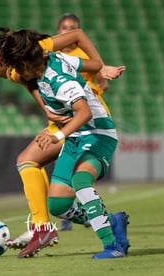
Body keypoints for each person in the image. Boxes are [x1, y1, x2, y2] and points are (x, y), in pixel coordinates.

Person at [0, 28, 128, 258]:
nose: (11, 75)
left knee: (81, 180)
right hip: (74, 132)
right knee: (58, 205)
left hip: (94, 131)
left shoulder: (57, 78)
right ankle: (108, 220)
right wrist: (99, 67)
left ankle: (112, 245)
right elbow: (84, 65)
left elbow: (84, 112)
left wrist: (56, 135)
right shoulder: (41, 58)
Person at [54, 13, 123, 231]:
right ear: (58, 30)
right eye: (64, 28)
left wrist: (90, 89)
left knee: (80, 170)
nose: (68, 31)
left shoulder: (83, 54)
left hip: (86, 111)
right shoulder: (51, 55)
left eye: (72, 28)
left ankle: (81, 212)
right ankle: (66, 207)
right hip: (64, 114)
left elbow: (103, 82)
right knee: (51, 159)